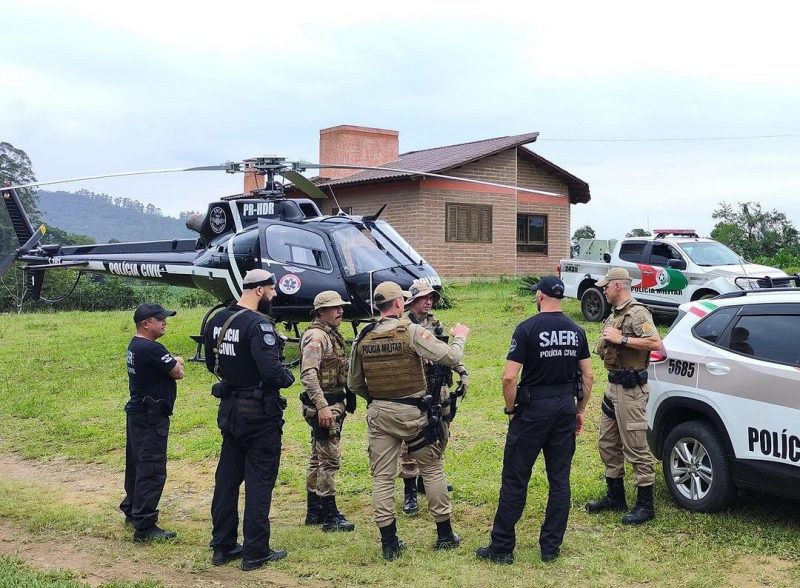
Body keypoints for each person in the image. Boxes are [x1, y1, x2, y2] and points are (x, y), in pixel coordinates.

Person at [348, 281, 470, 561]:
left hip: (380, 414)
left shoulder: (362, 336)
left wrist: (379, 398)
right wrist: (460, 336)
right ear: (399, 304)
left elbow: (354, 383)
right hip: (413, 413)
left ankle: (389, 542)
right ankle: (444, 534)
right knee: (432, 469)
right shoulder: (410, 331)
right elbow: (451, 356)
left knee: (381, 477)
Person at [476, 276, 593, 564]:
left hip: (532, 410)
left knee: (516, 478)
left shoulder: (527, 329)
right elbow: (588, 375)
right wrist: (580, 409)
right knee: (559, 480)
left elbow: (508, 376)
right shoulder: (577, 331)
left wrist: (510, 409)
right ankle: (550, 548)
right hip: (564, 408)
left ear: (540, 296)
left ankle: (502, 548)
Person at [203, 269, 295, 571]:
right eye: (272, 290)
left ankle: (223, 546)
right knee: (259, 482)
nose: (275, 295)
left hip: (229, 408)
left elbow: (209, 362)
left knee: (227, 480)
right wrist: (287, 377)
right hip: (259, 413)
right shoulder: (258, 325)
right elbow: (272, 372)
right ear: (258, 290)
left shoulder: (217, 319)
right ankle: (256, 552)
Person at [585, 267, 663, 525]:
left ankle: (645, 504)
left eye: (606, 286)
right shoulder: (615, 314)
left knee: (636, 446)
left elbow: (655, 343)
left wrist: (624, 339)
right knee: (607, 442)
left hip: (631, 390)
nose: (603, 290)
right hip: (612, 386)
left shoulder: (638, 312)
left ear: (618, 285)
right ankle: (615, 495)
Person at [399, 280, 468, 516]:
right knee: (411, 441)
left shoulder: (436, 324)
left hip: (439, 388)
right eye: (424, 298)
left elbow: (447, 352)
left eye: (431, 298)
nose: (429, 302)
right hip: (415, 389)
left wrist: (462, 372)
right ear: (413, 301)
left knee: (441, 432)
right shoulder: (402, 326)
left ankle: (428, 479)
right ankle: (410, 488)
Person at [120, 302, 184, 542]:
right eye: (160, 319)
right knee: (152, 468)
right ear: (146, 324)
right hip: (151, 415)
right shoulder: (151, 349)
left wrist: (172, 360)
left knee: (136, 464)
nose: (164, 322)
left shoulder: (135, 346)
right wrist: (176, 360)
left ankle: (132, 510)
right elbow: (177, 372)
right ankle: (145, 526)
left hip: (138, 413)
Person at [300, 290, 356, 532]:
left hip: (330, 402)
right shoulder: (317, 337)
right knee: (329, 459)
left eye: (341, 307)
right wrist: (323, 406)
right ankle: (329, 515)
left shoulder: (329, 334)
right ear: (320, 312)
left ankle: (314, 511)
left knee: (318, 457)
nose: (340, 311)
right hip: (324, 406)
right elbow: (308, 374)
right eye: (334, 308)